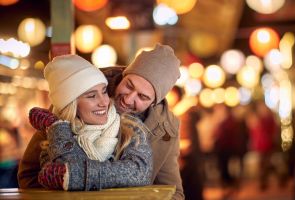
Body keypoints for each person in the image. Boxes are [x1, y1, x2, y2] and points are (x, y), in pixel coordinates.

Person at [18, 44, 184, 199]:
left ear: (153, 102)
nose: (128, 99)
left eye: (142, 96)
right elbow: (29, 175)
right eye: (129, 85)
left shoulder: (162, 130)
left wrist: (74, 176)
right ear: (124, 75)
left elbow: (173, 191)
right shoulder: (77, 95)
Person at [21, 54, 152, 190]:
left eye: (104, 91)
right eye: (92, 96)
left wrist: (76, 176)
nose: (104, 102)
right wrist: (58, 128)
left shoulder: (131, 128)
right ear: (72, 105)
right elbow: (67, 175)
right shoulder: (54, 138)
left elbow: (139, 173)